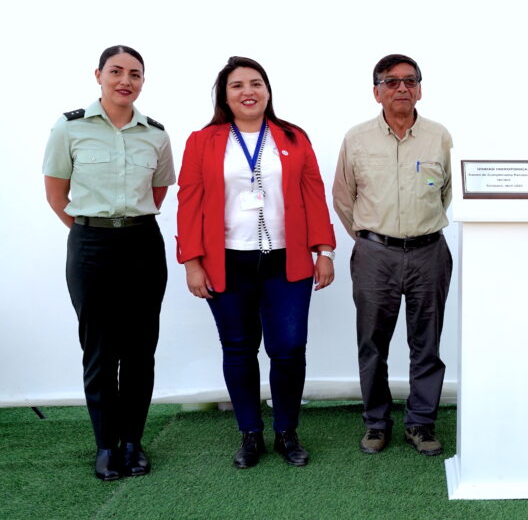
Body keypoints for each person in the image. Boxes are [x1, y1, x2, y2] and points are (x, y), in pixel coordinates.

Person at [176, 56, 336, 469]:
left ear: (267, 90)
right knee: (239, 348)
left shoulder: (292, 137)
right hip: (227, 262)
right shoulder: (203, 140)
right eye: (237, 86)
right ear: (224, 96)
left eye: (256, 83)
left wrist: (325, 251)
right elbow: (189, 203)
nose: (248, 91)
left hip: (287, 262)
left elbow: (313, 195)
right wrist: (192, 262)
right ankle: (250, 433)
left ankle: (286, 430)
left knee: (288, 349)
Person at [42, 45, 175, 481]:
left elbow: (157, 194)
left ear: (142, 81)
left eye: (134, 74)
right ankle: (106, 446)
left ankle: (133, 443)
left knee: (140, 350)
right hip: (91, 246)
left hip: (142, 244)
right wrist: (92, 230)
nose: (125, 80)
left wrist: (126, 226)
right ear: (98, 75)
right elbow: (57, 195)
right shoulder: (70, 128)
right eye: (116, 71)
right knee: (100, 350)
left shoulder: (155, 134)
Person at [332, 54, 453, 457]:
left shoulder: (439, 137)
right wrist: (369, 240)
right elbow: (343, 197)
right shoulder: (357, 138)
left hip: (429, 252)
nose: (402, 88)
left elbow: (449, 191)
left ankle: (420, 423)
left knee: (427, 344)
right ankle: (376, 423)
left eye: (410, 81)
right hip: (374, 256)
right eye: (392, 81)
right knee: (372, 344)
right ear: (376, 91)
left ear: (420, 88)